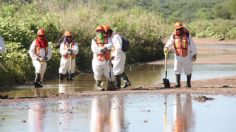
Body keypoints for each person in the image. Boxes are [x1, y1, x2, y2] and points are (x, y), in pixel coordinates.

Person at [164, 22, 197, 88]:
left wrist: (194, 54)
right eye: (178, 29)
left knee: (188, 69)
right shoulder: (174, 35)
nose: (179, 30)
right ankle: (177, 84)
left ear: (182, 28)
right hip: (177, 56)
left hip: (187, 56)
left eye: (181, 28)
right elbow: (170, 42)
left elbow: (192, 44)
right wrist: (166, 47)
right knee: (177, 69)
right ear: (176, 29)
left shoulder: (187, 35)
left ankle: (188, 84)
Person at [104, 25, 131, 90]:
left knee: (116, 70)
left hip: (119, 54)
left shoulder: (116, 37)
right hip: (116, 55)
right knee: (119, 70)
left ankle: (117, 86)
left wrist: (113, 56)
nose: (106, 35)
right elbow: (112, 47)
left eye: (106, 33)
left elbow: (118, 47)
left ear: (109, 32)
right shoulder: (111, 37)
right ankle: (126, 82)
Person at [91, 26, 114, 91]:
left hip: (106, 60)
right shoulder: (94, 40)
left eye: (101, 31)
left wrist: (105, 48)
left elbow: (111, 45)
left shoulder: (108, 39)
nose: (100, 33)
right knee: (97, 73)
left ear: (103, 32)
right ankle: (98, 85)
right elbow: (94, 49)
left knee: (111, 74)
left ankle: (111, 85)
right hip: (97, 61)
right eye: (98, 32)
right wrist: (102, 50)